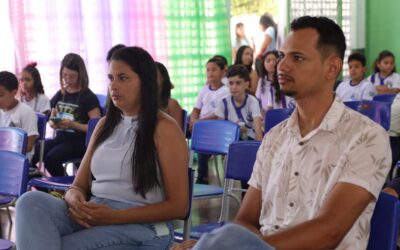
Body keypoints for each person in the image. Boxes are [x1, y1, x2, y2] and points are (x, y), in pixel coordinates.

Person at [174, 15, 391, 250]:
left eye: (297, 58)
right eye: (282, 56)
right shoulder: (275, 138)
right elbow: (245, 221)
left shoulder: (366, 137)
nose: (282, 66)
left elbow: (329, 232)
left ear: (331, 68)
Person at [16, 46, 189, 250]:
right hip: (97, 211)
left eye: (123, 78)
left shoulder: (164, 128)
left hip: (143, 227)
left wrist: (115, 217)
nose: (113, 86)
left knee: (58, 246)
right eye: (111, 78)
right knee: (30, 202)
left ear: (145, 82)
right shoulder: (103, 125)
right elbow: (78, 186)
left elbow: (179, 206)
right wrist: (75, 200)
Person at [30, 53, 101, 176]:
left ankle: (67, 189)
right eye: (64, 75)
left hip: (80, 142)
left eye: (72, 76)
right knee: (32, 153)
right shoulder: (61, 94)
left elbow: (97, 127)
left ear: (80, 75)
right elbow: (49, 117)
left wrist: (74, 125)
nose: (67, 79)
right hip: (61, 138)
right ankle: (45, 189)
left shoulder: (88, 97)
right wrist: (53, 123)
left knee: (51, 159)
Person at [190, 57, 230, 184]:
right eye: (208, 70)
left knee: (202, 137)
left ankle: (203, 176)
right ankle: (192, 173)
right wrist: (193, 119)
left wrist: (200, 122)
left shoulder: (226, 91)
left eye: (214, 70)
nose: (210, 73)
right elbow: (196, 108)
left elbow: (218, 114)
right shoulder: (204, 89)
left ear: (223, 72)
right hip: (202, 125)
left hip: (217, 126)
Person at [215, 64, 262, 141]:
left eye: (238, 83)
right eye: (231, 83)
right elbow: (220, 132)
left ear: (246, 84)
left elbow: (258, 129)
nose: (233, 87)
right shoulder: (223, 103)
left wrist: (260, 150)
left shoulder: (253, 102)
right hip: (229, 141)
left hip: (249, 142)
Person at [0, 71, 38, 159]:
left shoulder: (26, 112)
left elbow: (29, 146)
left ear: (14, 93)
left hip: (17, 161)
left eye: (1, 95)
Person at [255, 50, 292, 116]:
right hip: (266, 115)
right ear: (263, 64)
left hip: (283, 113)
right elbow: (258, 99)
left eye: (274, 60)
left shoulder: (282, 78)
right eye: (268, 61)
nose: (271, 63)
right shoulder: (262, 80)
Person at [155, 61, 183, 130]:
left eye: (154, 74)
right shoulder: (145, 104)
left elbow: (178, 133)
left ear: (163, 78)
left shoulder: (172, 104)